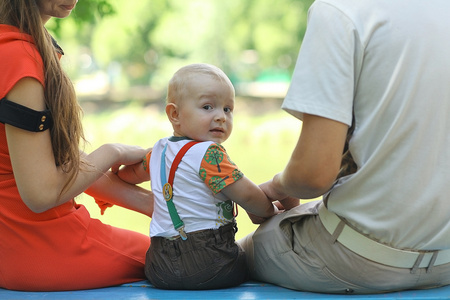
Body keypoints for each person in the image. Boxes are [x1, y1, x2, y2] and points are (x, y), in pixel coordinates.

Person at [238, 0, 450, 295]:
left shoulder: (338, 10)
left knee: (238, 250)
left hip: (357, 261)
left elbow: (311, 176)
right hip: (446, 261)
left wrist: (276, 187)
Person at [0, 0, 153, 291]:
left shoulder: (17, 45)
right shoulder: (19, 59)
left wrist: (149, 204)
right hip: (42, 248)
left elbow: (52, 162)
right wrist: (113, 152)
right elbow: (41, 193)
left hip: (12, 251)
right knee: (197, 259)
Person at [117, 63, 282, 290]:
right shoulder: (209, 154)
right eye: (207, 107)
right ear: (174, 114)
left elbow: (128, 176)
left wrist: (117, 166)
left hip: (159, 266)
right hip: (210, 263)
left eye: (227, 109)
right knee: (254, 258)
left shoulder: (157, 151)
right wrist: (271, 211)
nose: (221, 117)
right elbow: (249, 197)